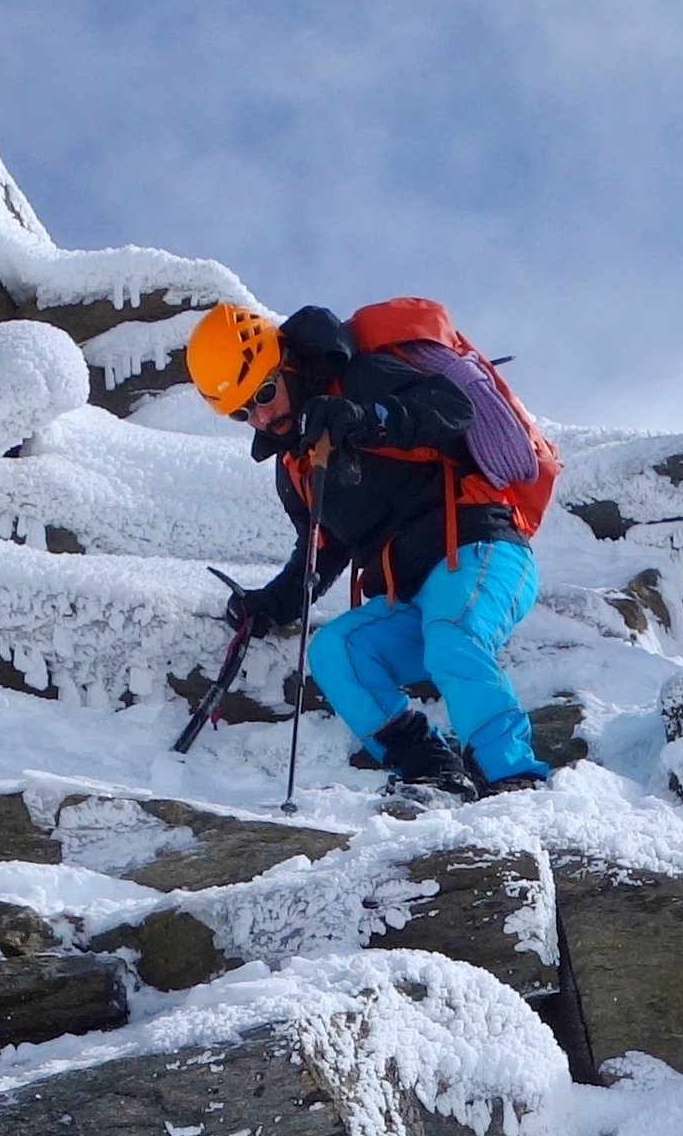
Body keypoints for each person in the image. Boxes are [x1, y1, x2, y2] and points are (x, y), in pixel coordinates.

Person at [184, 299, 547, 798]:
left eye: (265, 393)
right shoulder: (296, 467)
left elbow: (454, 408)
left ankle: (513, 778)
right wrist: (269, 604)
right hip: (411, 596)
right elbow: (321, 549)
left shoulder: (359, 379)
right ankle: (428, 767)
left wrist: (367, 418)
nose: (263, 417)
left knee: (452, 633)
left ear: (287, 363)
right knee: (336, 651)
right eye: (243, 412)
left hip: (481, 549)